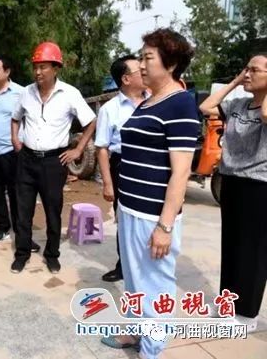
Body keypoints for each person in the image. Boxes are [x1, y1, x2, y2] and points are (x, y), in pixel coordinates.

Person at [100, 28, 198, 359]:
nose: (140, 64)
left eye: (147, 58)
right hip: (131, 208)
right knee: (134, 278)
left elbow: (182, 171)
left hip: (153, 215)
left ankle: (152, 350)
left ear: (170, 63)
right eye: (140, 57)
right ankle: (133, 331)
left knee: (154, 284)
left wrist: (165, 226)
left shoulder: (181, 104)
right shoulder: (147, 103)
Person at [10, 42, 96, 274]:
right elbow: (15, 118)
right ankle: (22, 253)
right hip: (27, 160)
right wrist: (15, 139)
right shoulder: (26, 93)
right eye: (36, 67)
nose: (38, 72)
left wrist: (78, 150)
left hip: (53, 162)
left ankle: (52, 255)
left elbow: (91, 122)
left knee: (52, 210)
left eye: (44, 67)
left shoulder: (70, 94)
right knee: (23, 210)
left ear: (56, 68)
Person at [199, 53, 267, 332]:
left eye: (254, 70)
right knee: (232, 244)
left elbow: (265, 115)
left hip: (260, 185)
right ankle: (229, 302)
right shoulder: (238, 103)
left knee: (254, 250)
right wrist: (236, 81)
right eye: (245, 69)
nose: (247, 74)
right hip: (231, 180)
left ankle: (248, 314)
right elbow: (206, 107)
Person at [95, 55, 148, 282]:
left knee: (151, 218)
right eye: (139, 70)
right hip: (123, 166)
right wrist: (108, 183)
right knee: (125, 218)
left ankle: (149, 265)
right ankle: (124, 265)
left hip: (151, 165)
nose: (145, 71)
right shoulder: (110, 109)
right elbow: (102, 148)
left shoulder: (156, 102)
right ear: (126, 79)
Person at [0, 56, 40, 251]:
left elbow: (28, 119)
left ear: (7, 72)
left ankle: (23, 236)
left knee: (18, 195)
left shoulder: (21, 92)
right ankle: (2, 228)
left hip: (12, 151)